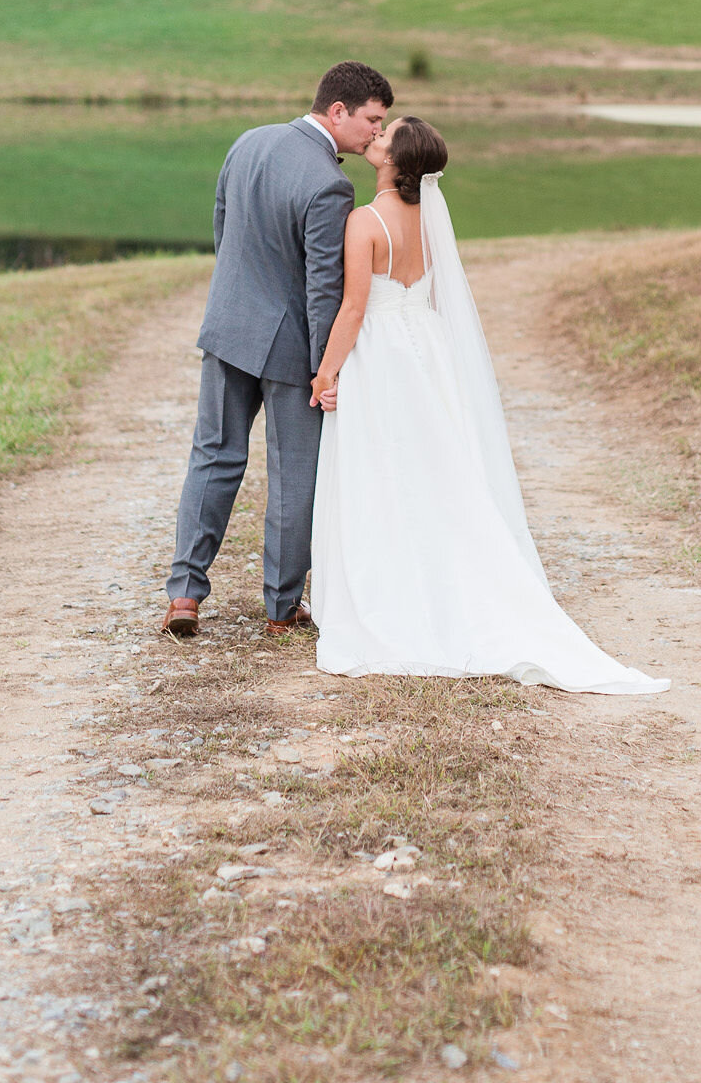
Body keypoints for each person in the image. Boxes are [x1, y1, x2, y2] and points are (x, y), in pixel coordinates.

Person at [309, 115, 670, 694]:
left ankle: (392, 592)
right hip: (425, 349)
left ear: (397, 161)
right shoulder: (431, 221)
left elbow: (353, 309)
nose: (375, 137)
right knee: (436, 472)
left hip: (380, 356)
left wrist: (325, 373)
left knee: (381, 471)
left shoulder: (364, 222)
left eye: (386, 135)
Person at [163, 60, 394, 640]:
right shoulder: (330, 184)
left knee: (213, 457)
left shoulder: (248, 141)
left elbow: (223, 228)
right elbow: (324, 288)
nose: (375, 133)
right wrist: (326, 369)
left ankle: (184, 595)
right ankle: (281, 606)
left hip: (228, 328)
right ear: (337, 111)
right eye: (371, 120)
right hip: (290, 348)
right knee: (294, 476)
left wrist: (237, 299)